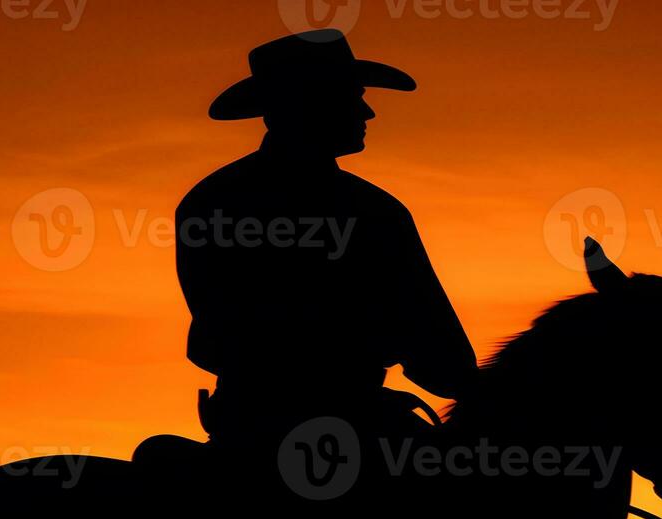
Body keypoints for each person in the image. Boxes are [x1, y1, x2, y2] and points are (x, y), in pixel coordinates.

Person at [175, 29, 477, 454]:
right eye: (351, 97)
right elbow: (436, 350)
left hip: (245, 422)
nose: (367, 112)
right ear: (309, 104)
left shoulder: (208, 200)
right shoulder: (374, 211)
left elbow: (222, 317)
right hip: (356, 428)